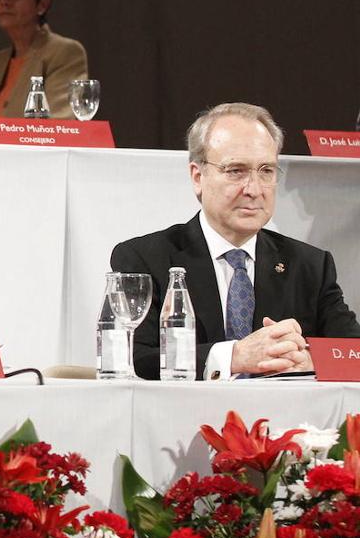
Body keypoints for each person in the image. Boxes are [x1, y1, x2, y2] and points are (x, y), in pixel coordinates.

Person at [111, 103, 360, 380]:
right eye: (236, 171)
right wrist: (233, 357)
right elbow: (132, 358)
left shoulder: (310, 265)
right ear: (198, 177)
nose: (253, 189)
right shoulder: (144, 258)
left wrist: (311, 359)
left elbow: (352, 353)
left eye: (266, 171)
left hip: (282, 420)